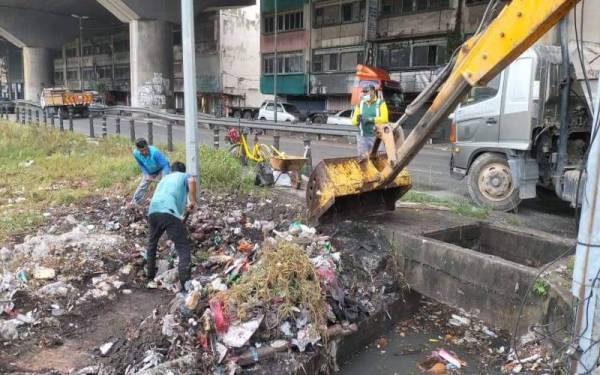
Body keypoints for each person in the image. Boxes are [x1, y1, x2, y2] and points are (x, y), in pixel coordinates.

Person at [146, 161, 197, 291]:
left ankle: (150, 277)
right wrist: (193, 201)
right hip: (168, 212)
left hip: (153, 211)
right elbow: (191, 180)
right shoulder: (184, 175)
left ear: (171, 170)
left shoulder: (165, 178)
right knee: (183, 247)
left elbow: (177, 204)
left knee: (152, 244)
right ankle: (186, 284)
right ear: (182, 170)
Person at [351, 84, 389, 156]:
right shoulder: (360, 104)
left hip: (376, 137)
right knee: (362, 159)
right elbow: (353, 122)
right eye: (363, 92)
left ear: (373, 91)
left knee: (378, 158)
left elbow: (385, 119)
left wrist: (370, 119)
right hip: (362, 137)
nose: (364, 94)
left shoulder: (380, 103)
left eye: (366, 92)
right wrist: (358, 119)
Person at [131, 138, 170, 206]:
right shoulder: (135, 153)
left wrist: (164, 177)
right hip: (150, 170)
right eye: (142, 151)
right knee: (143, 185)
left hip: (162, 168)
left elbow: (165, 165)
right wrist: (146, 174)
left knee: (164, 185)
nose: (144, 152)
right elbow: (141, 165)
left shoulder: (155, 153)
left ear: (147, 146)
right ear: (138, 149)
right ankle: (135, 201)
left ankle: (164, 201)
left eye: (146, 149)